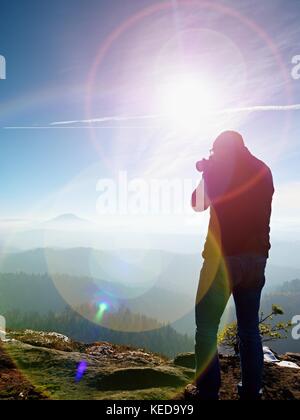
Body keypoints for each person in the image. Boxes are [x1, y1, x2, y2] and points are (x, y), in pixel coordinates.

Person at [190, 131, 274, 400]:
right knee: (249, 329)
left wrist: (206, 172)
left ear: (219, 150)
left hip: (221, 260)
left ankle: (207, 392)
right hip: (256, 259)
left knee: (205, 330)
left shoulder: (217, 171)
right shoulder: (263, 169)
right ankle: (251, 391)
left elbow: (196, 204)